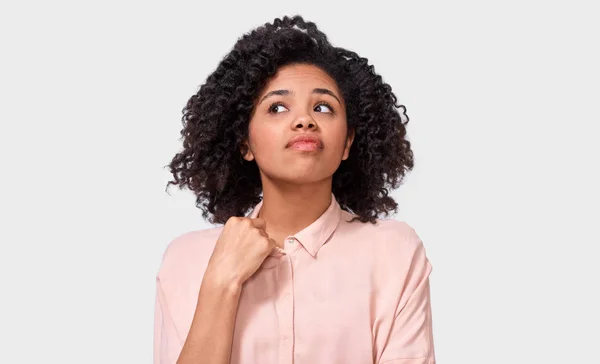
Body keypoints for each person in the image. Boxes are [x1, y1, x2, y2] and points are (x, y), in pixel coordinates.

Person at [155, 15, 436, 364]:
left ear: (347, 142)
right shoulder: (187, 260)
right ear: (245, 143)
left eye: (323, 107)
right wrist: (220, 284)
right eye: (277, 107)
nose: (304, 120)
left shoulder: (394, 252)